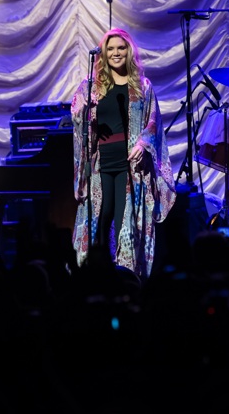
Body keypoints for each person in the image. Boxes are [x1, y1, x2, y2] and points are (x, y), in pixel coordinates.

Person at [71, 28, 176, 278]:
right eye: (110, 49)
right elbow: (78, 126)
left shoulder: (142, 86)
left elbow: (153, 122)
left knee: (124, 220)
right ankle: (95, 274)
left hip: (131, 166)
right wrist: (80, 111)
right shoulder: (91, 87)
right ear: (103, 54)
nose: (116, 53)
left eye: (121, 48)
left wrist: (142, 144)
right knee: (100, 218)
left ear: (129, 51)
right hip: (101, 164)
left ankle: (126, 276)